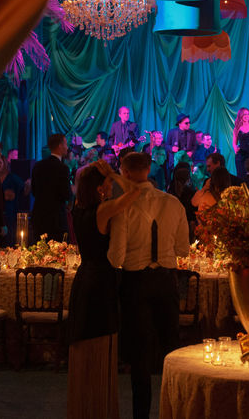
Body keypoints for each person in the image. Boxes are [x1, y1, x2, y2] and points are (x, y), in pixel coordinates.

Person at [107, 153, 189, 419]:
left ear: (125, 173)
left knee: (139, 355)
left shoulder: (124, 207)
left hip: (136, 283)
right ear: (149, 168)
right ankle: (175, 411)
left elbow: (116, 257)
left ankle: (141, 414)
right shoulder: (173, 203)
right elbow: (183, 249)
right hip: (166, 280)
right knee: (171, 348)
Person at [67, 160, 141, 419]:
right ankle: (99, 409)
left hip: (83, 279)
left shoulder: (78, 208)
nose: (111, 187)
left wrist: (104, 176)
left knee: (84, 349)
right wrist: (115, 174)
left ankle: (84, 409)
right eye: (108, 184)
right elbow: (136, 192)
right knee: (99, 346)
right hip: (100, 282)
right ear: (99, 188)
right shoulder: (103, 210)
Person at [31, 134, 73, 242]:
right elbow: (66, 194)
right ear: (60, 146)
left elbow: (34, 191)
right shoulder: (63, 168)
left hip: (39, 216)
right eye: (66, 144)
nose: (67, 147)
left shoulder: (38, 166)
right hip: (56, 219)